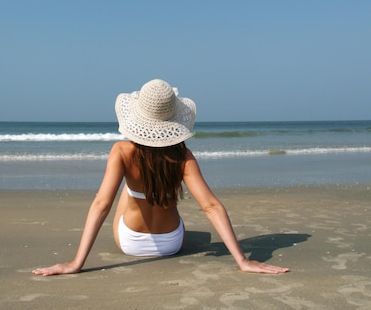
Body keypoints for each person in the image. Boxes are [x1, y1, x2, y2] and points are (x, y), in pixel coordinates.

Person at [32, 79, 289, 276]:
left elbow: (101, 205)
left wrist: (76, 263)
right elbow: (210, 206)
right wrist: (242, 261)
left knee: (128, 189)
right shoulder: (183, 156)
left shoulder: (122, 152)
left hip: (130, 241)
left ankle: (137, 195)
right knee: (155, 191)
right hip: (172, 242)